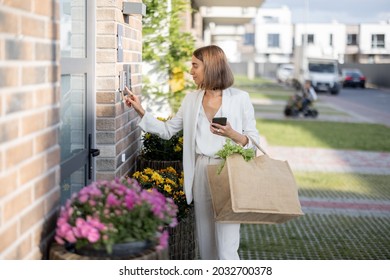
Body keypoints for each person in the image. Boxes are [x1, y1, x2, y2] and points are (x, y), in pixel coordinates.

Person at [124, 45, 260, 260]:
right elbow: (168, 131)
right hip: (201, 170)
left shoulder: (240, 98)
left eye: (195, 65)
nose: (190, 71)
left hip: (229, 172)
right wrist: (141, 110)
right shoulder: (191, 99)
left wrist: (232, 133)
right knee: (206, 244)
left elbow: (253, 143)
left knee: (226, 247)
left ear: (212, 67)